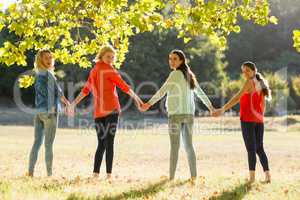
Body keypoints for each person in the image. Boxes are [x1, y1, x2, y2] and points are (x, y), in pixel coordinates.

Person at [68, 45, 142, 181]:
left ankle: (108, 175)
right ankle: (96, 174)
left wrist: (136, 98)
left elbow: (123, 85)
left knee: (108, 142)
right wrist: (73, 104)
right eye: (108, 57)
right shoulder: (95, 70)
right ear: (101, 55)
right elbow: (86, 90)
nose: (110, 60)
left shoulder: (109, 70)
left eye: (113, 58)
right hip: (99, 112)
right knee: (102, 143)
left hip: (112, 110)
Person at [140, 49, 215, 181]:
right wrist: (210, 107)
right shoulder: (189, 75)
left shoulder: (175, 74)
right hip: (188, 115)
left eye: (175, 58)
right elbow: (200, 93)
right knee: (189, 146)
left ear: (181, 60)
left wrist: (149, 104)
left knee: (175, 147)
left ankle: (172, 178)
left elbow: (162, 91)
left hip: (176, 115)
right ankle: (193, 176)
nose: (171, 61)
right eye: (170, 58)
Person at [213, 61, 271, 183]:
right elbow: (263, 104)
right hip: (259, 120)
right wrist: (260, 116)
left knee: (251, 149)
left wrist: (222, 109)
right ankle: (267, 176)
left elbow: (237, 98)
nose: (245, 73)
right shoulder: (260, 83)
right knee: (259, 149)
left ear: (254, 71)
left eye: (247, 71)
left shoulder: (249, 82)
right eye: (243, 71)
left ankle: (252, 179)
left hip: (248, 120)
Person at [28, 49, 70, 177]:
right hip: (50, 112)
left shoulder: (38, 74)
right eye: (46, 58)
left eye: (50, 57)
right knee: (48, 144)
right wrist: (68, 104)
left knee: (37, 142)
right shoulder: (48, 74)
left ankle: (30, 172)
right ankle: (49, 174)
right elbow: (59, 93)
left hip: (39, 111)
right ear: (40, 60)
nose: (49, 60)